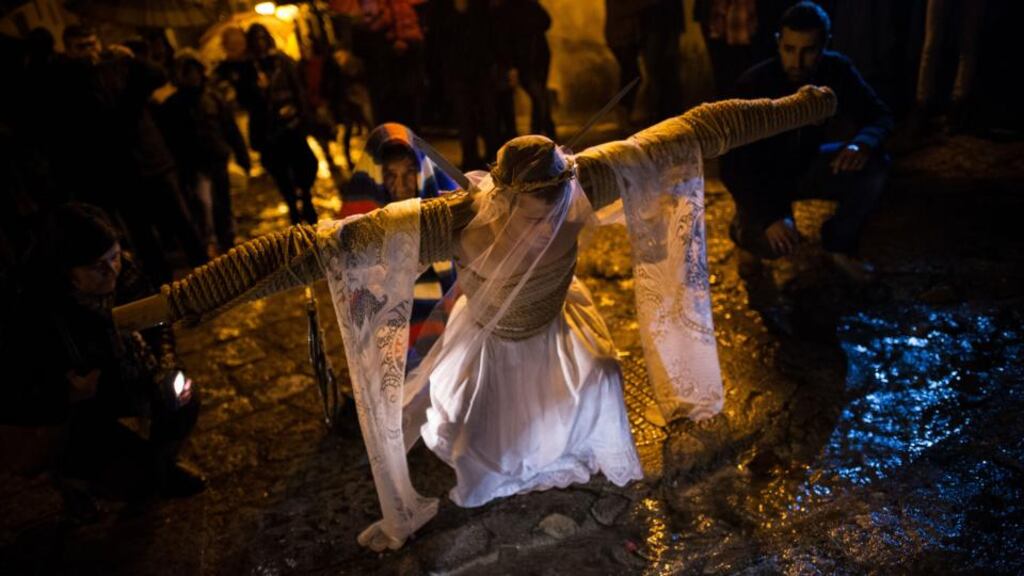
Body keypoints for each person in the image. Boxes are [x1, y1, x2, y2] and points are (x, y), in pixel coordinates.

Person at [112, 85, 837, 550]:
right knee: (491, 438)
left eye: (554, 205)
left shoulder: (586, 178)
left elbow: (705, 128)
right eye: (534, 210)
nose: (547, 220)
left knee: (600, 382)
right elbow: (302, 252)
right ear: (507, 196)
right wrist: (179, 300)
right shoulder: (452, 220)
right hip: (492, 337)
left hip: (556, 326)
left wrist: (805, 104)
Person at [2, 204, 204, 520]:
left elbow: (158, 324)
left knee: (182, 398)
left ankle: (163, 466)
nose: (112, 270)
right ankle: (73, 479)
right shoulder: (36, 314)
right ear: (68, 273)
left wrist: (167, 365)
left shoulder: (127, 273)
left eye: (115, 256)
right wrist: (66, 393)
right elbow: (17, 395)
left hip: (125, 376)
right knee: (136, 482)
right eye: (98, 266)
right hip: (79, 409)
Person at [720, 1, 893, 284]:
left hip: (808, 164)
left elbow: (879, 115)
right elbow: (733, 164)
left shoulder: (836, 70)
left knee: (874, 167)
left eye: (808, 50)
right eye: (789, 49)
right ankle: (745, 236)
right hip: (765, 178)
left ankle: (839, 246)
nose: (797, 62)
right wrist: (769, 217)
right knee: (774, 244)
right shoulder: (755, 83)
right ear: (778, 42)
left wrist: (861, 143)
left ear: (825, 45)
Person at [341, 123, 460, 364]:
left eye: (409, 173)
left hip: (444, 330)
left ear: (421, 172)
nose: (402, 186)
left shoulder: (446, 208)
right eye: (390, 176)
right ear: (376, 177)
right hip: (391, 336)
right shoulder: (358, 226)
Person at [160, 52, 251, 257]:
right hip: (194, 165)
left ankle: (227, 241)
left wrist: (241, 155)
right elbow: (169, 139)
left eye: (195, 71)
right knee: (203, 204)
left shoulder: (213, 98)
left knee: (223, 202)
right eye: (187, 73)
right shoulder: (172, 105)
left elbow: (230, 128)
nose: (192, 77)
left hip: (217, 158)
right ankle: (210, 242)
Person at [239, 24, 319, 225]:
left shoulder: (282, 61)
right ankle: (292, 206)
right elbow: (244, 101)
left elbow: (298, 88)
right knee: (279, 171)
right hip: (269, 131)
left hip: (292, 125)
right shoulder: (247, 69)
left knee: (306, 164)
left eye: (262, 38)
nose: (260, 43)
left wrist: (303, 115)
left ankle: (306, 197)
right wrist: (256, 89)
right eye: (255, 39)